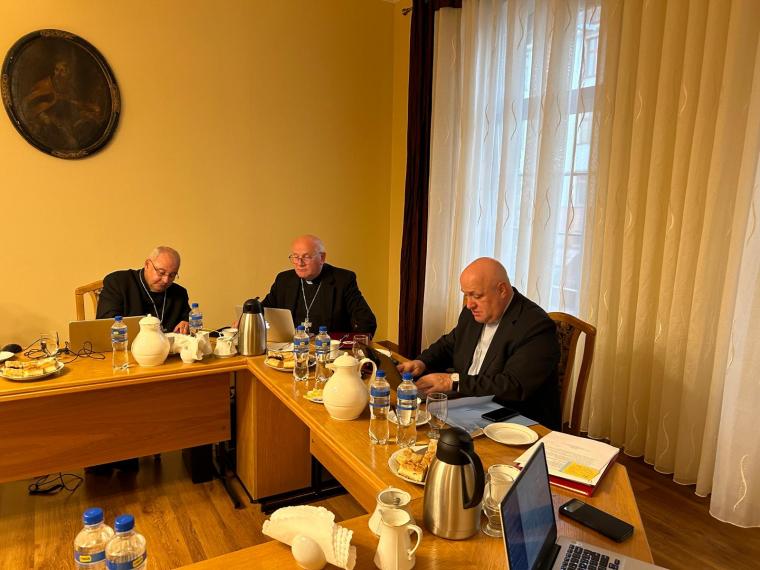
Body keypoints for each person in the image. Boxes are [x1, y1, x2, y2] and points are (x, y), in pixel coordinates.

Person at [397, 257, 561, 429]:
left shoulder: (536, 326)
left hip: (514, 420)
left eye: (476, 296)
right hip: (466, 405)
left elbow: (513, 385)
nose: (469, 304)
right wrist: (421, 362)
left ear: (502, 290)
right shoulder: (473, 312)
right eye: (466, 295)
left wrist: (452, 381)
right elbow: (449, 344)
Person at [262, 235, 377, 336]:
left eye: (306, 257)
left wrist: (350, 349)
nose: (300, 263)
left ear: (322, 258)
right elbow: (263, 312)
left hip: (329, 350)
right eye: (295, 257)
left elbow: (366, 322)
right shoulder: (284, 280)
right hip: (290, 350)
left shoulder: (343, 280)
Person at [97, 246, 190, 335]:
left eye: (172, 275)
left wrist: (187, 323)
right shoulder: (118, 283)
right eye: (161, 272)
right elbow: (106, 324)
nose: (166, 280)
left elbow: (188, 318)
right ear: (147, 264)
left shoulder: (179, 293)